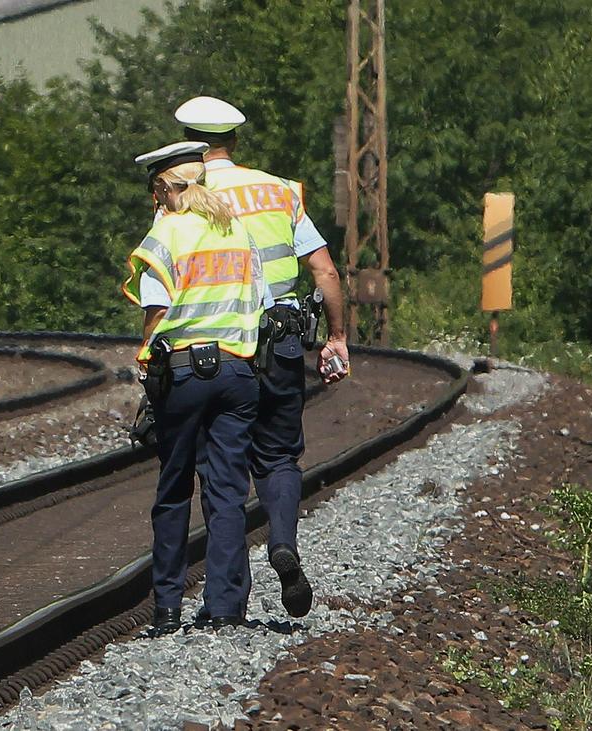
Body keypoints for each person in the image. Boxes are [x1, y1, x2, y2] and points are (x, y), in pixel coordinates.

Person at [173, 95, 351, 619]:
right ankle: (283, 542)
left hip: (221, 348)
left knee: (222, 472)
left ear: (188, 139)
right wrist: (336, 337)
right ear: (235, 140)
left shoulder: (184, 195)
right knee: (278, 456)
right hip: (281, 343)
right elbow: (325, 271)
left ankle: (227, 600)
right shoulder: (280, 190)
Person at [122, 141, 272, 633]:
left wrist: (147, 364)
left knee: (174, 489)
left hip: (183, 372)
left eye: (155, 191)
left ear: (165, 189)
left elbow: (157, 311)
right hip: (237, 372)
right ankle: (226, 606)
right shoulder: (239, 229)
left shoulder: (165, 232)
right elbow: (262, 300)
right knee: (227, 492)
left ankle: (167, 608)